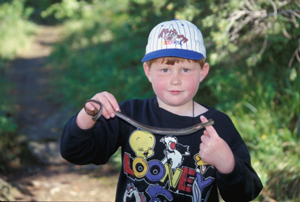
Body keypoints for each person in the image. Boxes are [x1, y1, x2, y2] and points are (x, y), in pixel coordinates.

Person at [60, 19, 263, 201]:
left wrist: (227, 163)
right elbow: (75, 152)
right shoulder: (129, 115)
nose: (175, 79)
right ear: (148, 71)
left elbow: (245, 194)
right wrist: (89, 114)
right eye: (165, 70)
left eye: (186, 69)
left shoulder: (217, 126)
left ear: (203, 72)